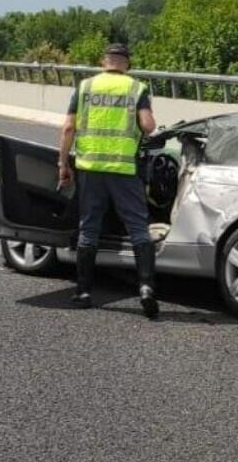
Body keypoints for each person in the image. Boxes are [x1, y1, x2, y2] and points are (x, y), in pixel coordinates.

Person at [57, 43, 159, 318]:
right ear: (127, 64)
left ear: (104, 62)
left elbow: (68, 128)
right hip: (124, 169)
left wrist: (63, 163)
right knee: (138, 227)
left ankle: (83, 291)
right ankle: (147, 288)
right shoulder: (136, 89)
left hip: (90, 167)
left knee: (89, 227)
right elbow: (149, 126)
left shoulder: (85, 87)